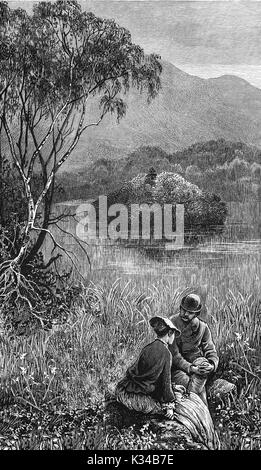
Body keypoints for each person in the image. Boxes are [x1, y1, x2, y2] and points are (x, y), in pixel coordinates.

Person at [115, 316, 180, 419]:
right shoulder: (166, 353)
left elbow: (134, 371)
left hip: (123, 392)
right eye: (174, 334)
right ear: (170, 333)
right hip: (139, 399)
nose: (174, 337)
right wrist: (169, 406)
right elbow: (165, 381)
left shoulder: (147, 348)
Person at [169, 293, 219, 405]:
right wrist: (192, 369)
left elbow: (210, 350)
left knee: (203, 365)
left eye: (190, 312)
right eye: (183, 310)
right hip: (177, 368)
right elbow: (175, 355)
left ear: (196, 313)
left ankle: (193, 402)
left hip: (198, 366)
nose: (185, 314)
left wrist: (211, 365)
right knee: (189, 383)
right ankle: (197, 405)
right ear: (180, 308)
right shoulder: (172, 323)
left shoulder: (203, 327)